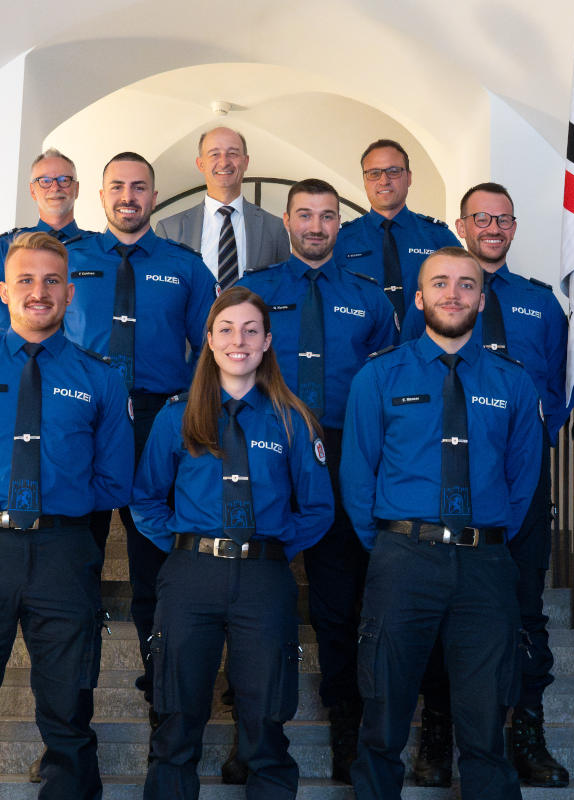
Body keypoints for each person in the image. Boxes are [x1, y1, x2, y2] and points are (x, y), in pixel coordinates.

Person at [0, 231, 134, 799]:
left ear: (69, 292)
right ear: (5, 291)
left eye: (52, 281)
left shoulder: (100, 377)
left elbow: (114, 480)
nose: (40, 292)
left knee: (68, 712)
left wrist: (59, 506)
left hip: (64, 552)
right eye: (27, 281)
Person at [341, 247, 544, 800]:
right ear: (419, 296)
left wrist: (482, 536)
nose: (453, 294)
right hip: (404, 561)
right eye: (440, 283)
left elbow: (522, 482)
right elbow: (359, 479)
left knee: (485, 727)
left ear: (482, 297)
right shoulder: (378, 377)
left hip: (485, 566)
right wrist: (394, 545)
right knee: (383, 715)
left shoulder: (513, 383)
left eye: (465, 284)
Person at [131, 286, 334, 800]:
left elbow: (317, 509)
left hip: (263, 578)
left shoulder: (293, 419)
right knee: (176, 716)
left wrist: (273, 548)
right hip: (190, 576)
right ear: (209, 339)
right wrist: (183, 543)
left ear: (267, 341)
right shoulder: (176, 416)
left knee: (266, 718)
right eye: (226, 329)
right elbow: (146, 500)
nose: (237, 340)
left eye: (250, 330)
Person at [401, 182, 572, 786]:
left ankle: (527, 731)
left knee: (525, 612)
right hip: (446, 478)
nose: (492, 228)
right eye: (481, 218)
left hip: (517, 479)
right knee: (444, 613)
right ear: (461, 225)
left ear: (514, 227)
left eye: (503, 219)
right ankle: (439, 734)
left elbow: (557, 388)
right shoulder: (436, 297)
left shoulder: (541, 304)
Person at [238, 178, 397, 783]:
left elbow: (385, 385)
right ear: (286, 219)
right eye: (304, 214)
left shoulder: (371, 299)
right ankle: (246, 729)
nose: (316, 225)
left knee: (338, 601)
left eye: (327, 216)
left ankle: (346, 729)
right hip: (262, 447)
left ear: (339, 224)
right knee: (248, 594)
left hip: (340, 451)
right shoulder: (252, 291)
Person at [65, 151, 218, 722]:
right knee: (75, 575)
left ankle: (163, 704)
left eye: (139, 187)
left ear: (155, 197)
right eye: (117, 187)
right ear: (100, 197)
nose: (128, 196)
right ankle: (72, 709)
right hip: (84, 422)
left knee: (157, 569)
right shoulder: (70, 260)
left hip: (160, 423)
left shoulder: (185, 266)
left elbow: (213, 346)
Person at [336, 139, 460, 330]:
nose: (384, 180)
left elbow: (465, 296)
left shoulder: (438, 237)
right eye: (374, 173)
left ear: (409, 177)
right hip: (363, 355)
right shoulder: (341, 241)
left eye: (393, 171)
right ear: (364, 180)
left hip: (426, 353)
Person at [154, 127, 290, 288]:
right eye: (214, 154)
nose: (224, 162)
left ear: (245, 162)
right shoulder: (170, 230)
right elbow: (161, 294)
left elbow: (283, 291)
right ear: (200, 164)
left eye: (232, 153)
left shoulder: (274, 228)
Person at [0, 148, 92, 337]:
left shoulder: (99, 248)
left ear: (76, 189)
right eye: (45, 181)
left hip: (83, 363)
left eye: (64, 180)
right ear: (32, 191)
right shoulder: (8, 247)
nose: (55, 187)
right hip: (26, 362)